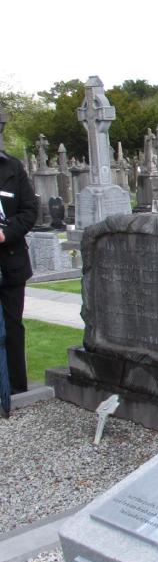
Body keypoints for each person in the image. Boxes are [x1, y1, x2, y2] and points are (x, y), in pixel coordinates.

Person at [0, 149, 38, 396]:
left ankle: (15, 387)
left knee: (13, 326)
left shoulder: (12, 167)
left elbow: (29, 211)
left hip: (10, 261)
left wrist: (5, 233)